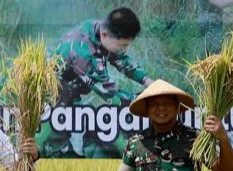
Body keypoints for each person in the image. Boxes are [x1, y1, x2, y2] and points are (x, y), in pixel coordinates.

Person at [36, 7, 153, 158]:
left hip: (71, 90)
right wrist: (145, 100)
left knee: (68, 134)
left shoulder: (100, 29)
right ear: (105, 35)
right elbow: (110, 93)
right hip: (51, 97)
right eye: (122, 45)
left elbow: (120, 59)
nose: (124, 49)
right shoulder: (83, 53)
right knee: (53, 138)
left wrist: (147, 80)